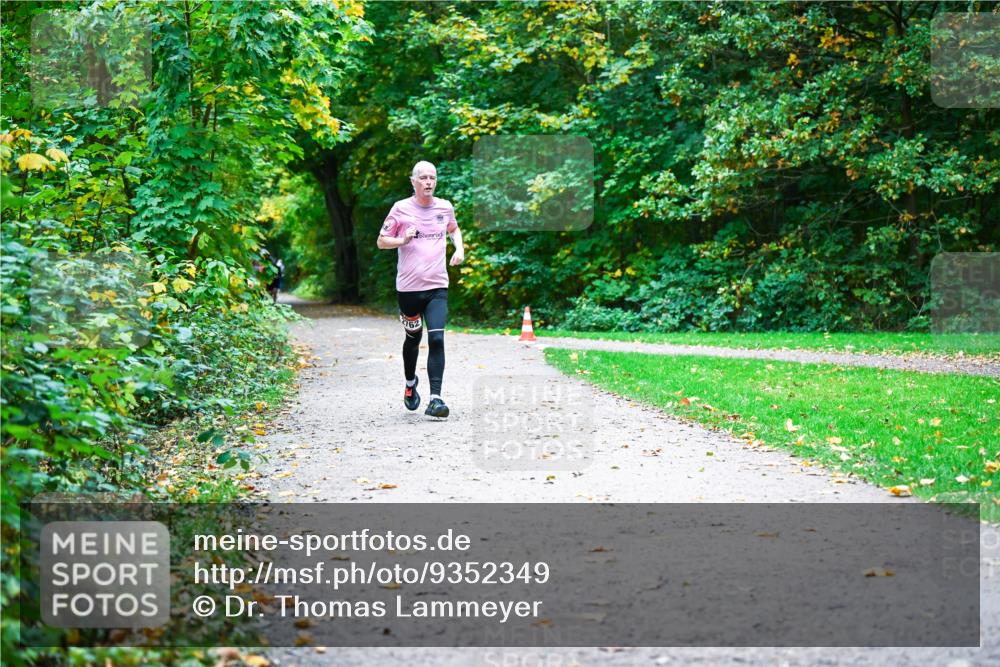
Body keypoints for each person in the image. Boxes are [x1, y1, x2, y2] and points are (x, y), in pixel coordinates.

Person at [377, 161, 464, 418]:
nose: (428, 182)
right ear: (413, 181)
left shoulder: (444, 207)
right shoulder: (400, 208)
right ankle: (410, 383)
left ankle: (436, 399)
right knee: (413, 339)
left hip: (437, 286)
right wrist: (403, 239)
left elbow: (454, 229)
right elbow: (381, 241)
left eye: (432, 177)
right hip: (408, 289)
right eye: (424, 177)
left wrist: (459, 248)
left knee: (436, 338)